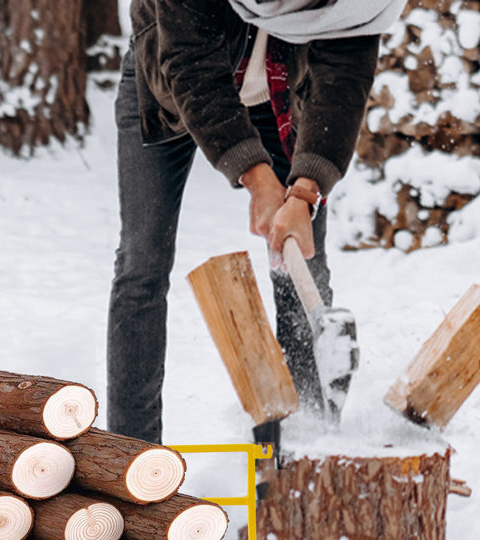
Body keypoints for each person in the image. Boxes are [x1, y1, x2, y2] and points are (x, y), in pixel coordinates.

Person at [106, 0, 405, 444]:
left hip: (280, 93)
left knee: (302, 260)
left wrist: (304, 192)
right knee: (142, 264)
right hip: (168, 80)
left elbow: (344, 73)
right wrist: (256, 177)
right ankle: (133, 458)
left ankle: (306, 453)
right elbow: (191, 64)